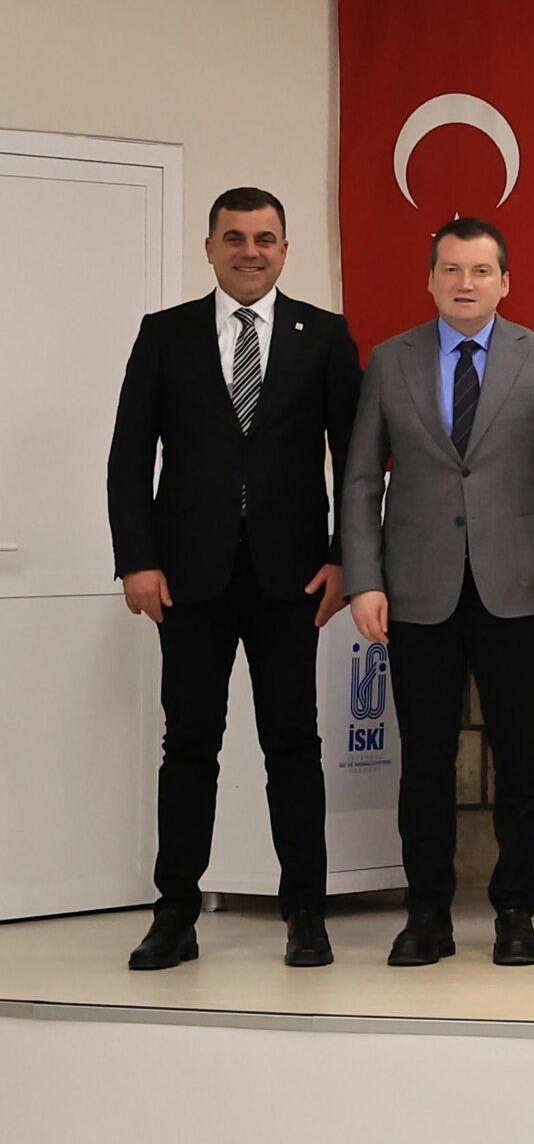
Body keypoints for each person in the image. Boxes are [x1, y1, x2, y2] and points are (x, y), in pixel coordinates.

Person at [106, 187, 361, 971]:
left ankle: (306, 914)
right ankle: (174, 914)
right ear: (210, 247)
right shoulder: (166, 333)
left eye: (265, 238)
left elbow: (355, 458)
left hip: (293, 576)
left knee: (293, 744)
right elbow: (128, 455)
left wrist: (346, 557)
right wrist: (136, 558)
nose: (251, 251)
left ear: (285, 249)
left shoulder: (324, 335)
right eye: (235, 237)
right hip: (188, 577)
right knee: (189, 743)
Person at [342, 216, 534, 968]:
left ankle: (516, 912)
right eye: (451, 269)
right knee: (424, 763)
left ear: (505, 281)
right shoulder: (390, 360)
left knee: (521, 759)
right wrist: (364, 579)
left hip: (520, 589)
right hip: (416, 591)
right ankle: (427, 915)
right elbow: (361, 478)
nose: (465, 283)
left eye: (481, 270)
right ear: (430, 279)